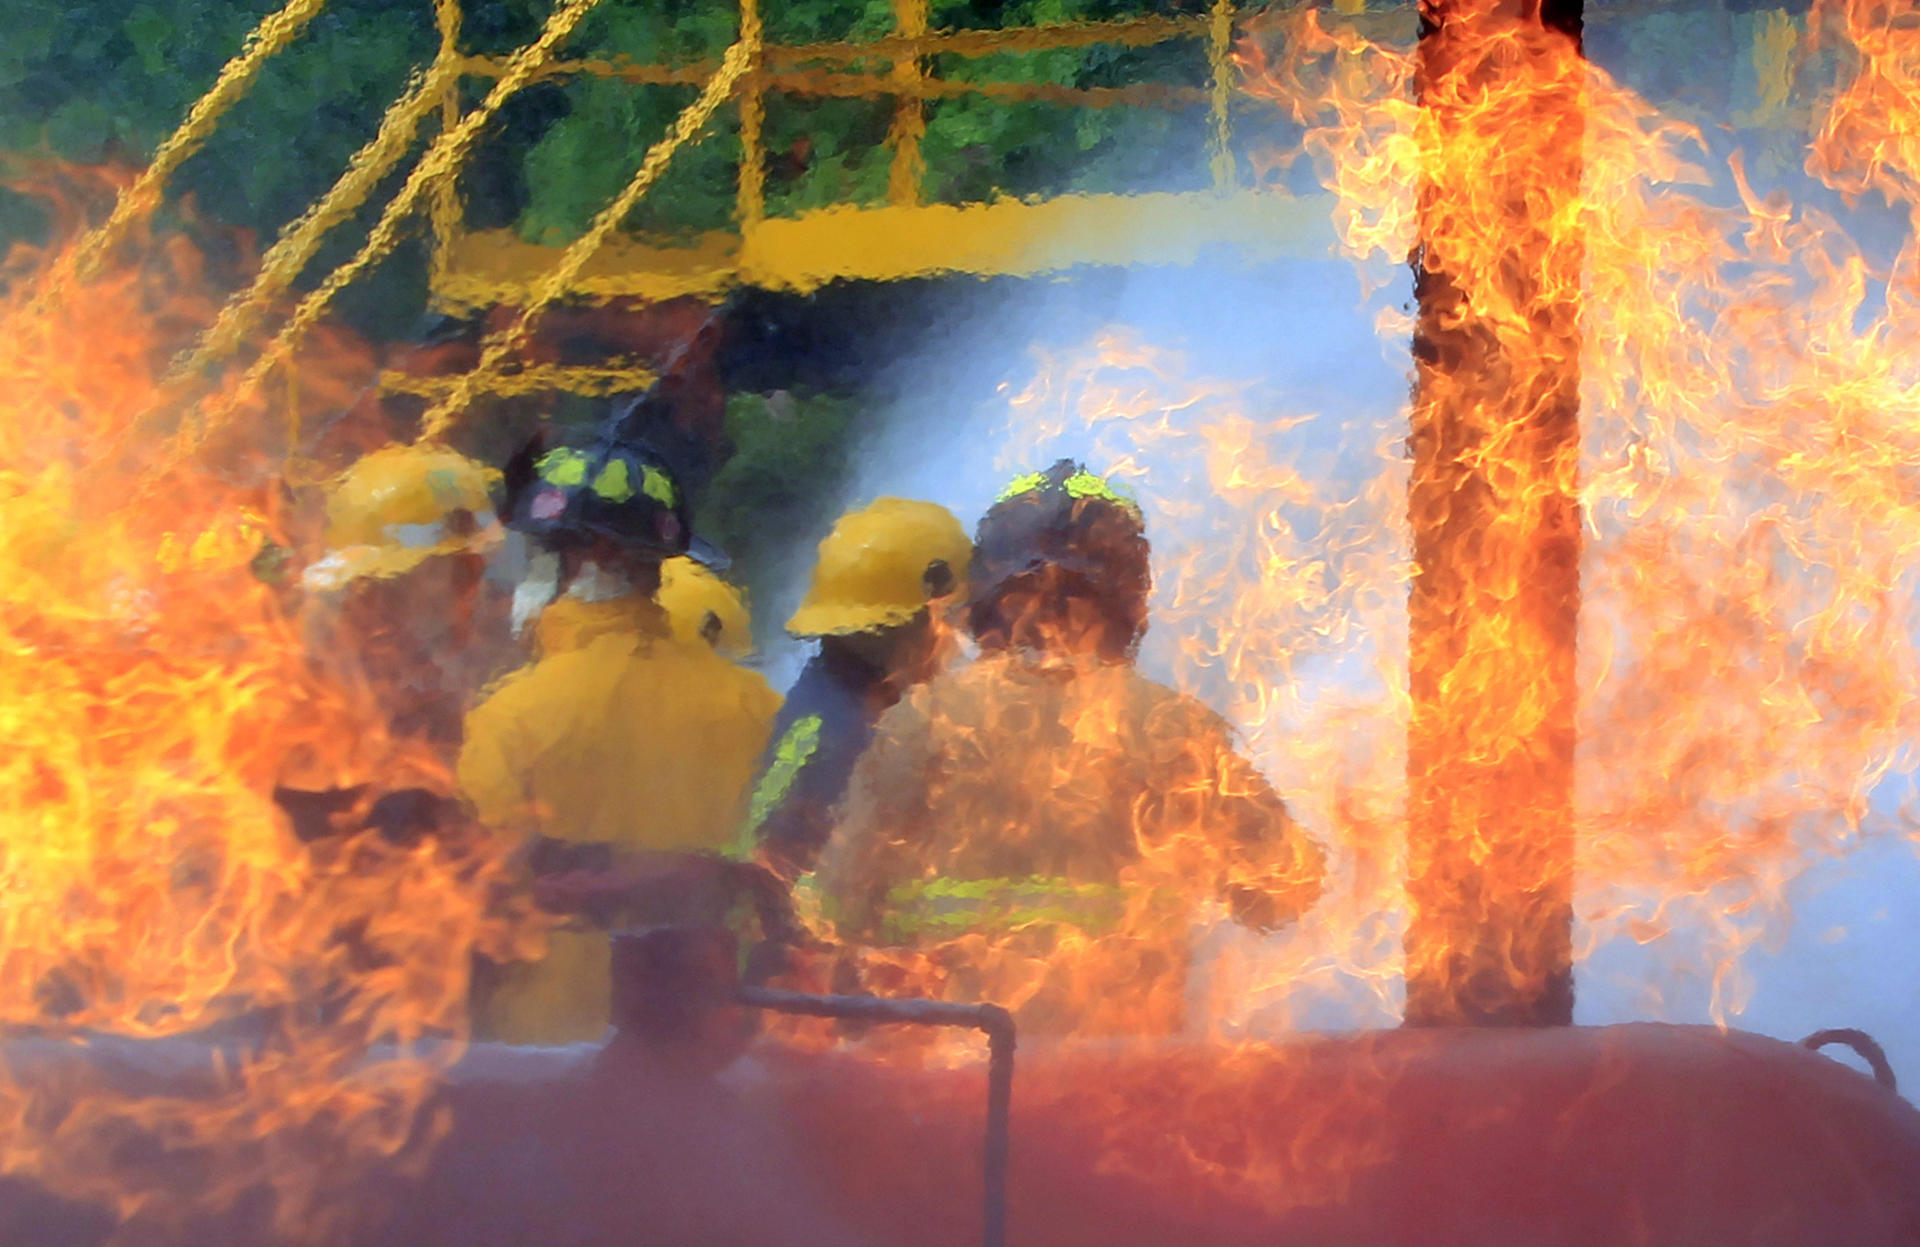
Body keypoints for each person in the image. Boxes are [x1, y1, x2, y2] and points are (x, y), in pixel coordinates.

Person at [814, 461, 1325, 1038]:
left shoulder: (923, 721)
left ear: (986, 594)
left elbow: (838, 907)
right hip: (1121, 1076)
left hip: (951, 1077)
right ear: (1128, 597)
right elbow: (1286, 890)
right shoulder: (1172, 728)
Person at [457, 411, 779, 1044]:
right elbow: (772, 873)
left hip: (544, 1051)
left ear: (593, 554)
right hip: (703, 1042)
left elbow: (475, 901)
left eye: (542, 550)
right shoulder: (756, 706)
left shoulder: (511, 716)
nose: (524, 572)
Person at [733, 498, 973, 885]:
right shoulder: (828, 739)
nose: (957, 642)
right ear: (902, 629)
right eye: (950, 619)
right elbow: (766, 879)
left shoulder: (841, 710)